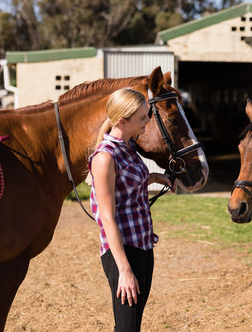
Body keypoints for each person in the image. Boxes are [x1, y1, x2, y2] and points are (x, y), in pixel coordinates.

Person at [88, 88, 173, 332]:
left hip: (143, 246)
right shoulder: (105, 158)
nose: (148, 122)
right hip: (123, 253)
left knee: (131, 326)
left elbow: (125, 186)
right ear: (122, 121)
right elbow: (107, 217)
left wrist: (155, 177)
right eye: (143, 118)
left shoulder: (128, 146)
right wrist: (124, 270)